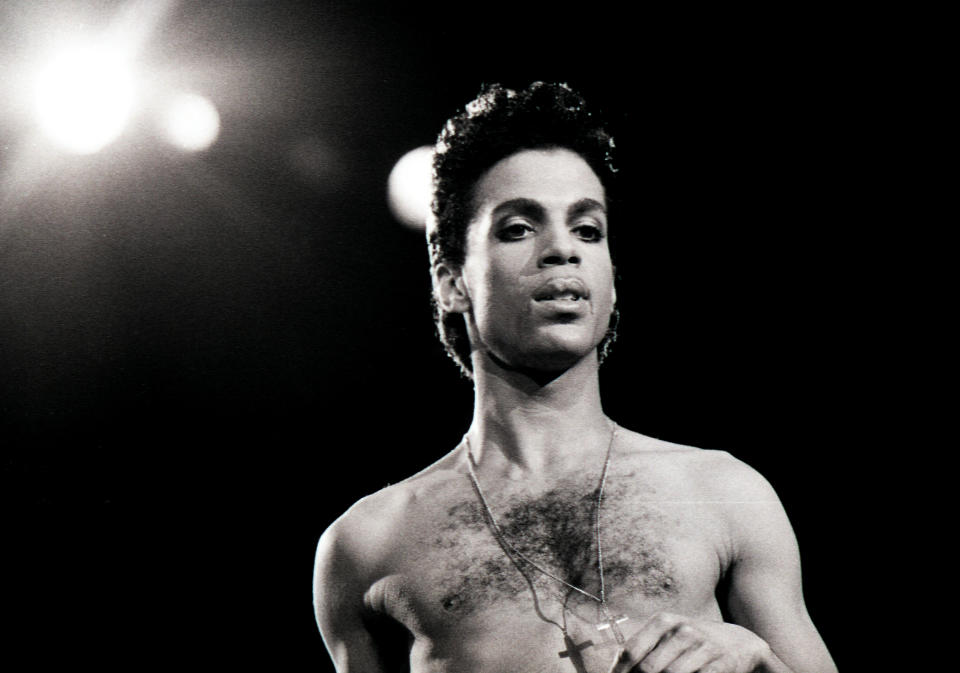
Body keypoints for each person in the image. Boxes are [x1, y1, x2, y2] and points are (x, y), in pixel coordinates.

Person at [313, 82, 837, 673]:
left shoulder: (726, 493)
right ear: (453, 281)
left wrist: (760, 660)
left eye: (588, 229)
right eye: (518, 228)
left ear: (612, 275)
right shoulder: (368, 545)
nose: (563, 249)